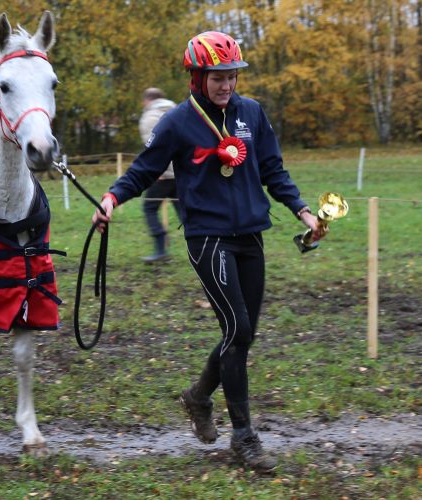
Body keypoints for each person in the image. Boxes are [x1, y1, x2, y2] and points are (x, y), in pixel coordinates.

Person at [92, 31, 325, 471]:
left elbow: (273, 169)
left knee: (243, 335)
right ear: (197, 78)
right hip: (207, 237)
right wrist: (111, 200)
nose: (227, 85)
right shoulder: (178, 122)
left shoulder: (252, 114)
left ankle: (199, 397)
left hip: (251, 235)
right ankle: (244, 436)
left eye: (232, 76)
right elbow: (143, 171)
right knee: (236, 327)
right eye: (218, 77)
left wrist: (304, 212)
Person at [138, 88, 180, 262]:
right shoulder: (176, 111)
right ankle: (206, 243)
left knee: (149, 208)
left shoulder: (149, 118)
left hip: (163, 174)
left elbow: (155, 149)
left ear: (147, 100)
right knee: (185, 211)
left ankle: (161, 247)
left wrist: (159, 171)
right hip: (181, 173)